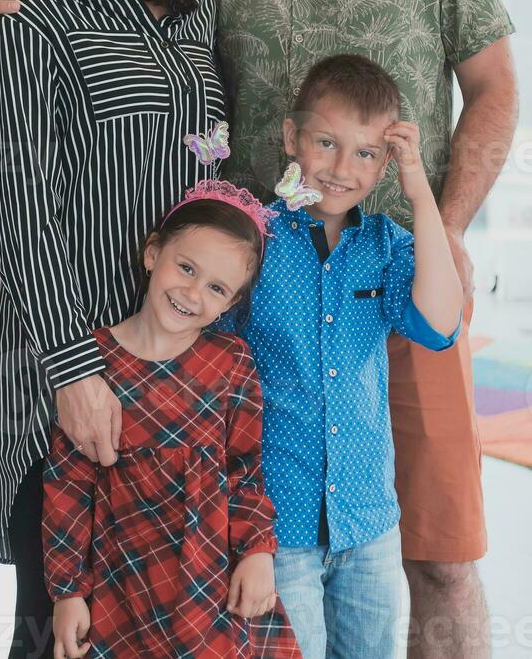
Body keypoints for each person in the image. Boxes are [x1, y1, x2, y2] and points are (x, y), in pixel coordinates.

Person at [0, 0, 518, 659]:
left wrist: (443, 233)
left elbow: (497, 88)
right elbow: (22, 202)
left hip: (338, 299)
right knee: (128, 594)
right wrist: (72, 366)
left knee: (423, 558)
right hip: (164, 331)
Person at [0, 0, 227, 659]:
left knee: (152, 620)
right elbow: (24, 208)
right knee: (59, 630)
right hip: (64, 359)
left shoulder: (191, 8)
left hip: (172, 355)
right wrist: (75, 371)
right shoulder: (28, 13)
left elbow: (211, 165)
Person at [222, 53, 463, 658]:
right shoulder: (254, 237)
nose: (339, 168)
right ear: (291, 137)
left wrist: (417, 188)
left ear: (384, 164)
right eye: (325, 143)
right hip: (279, 523)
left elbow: (440, 326)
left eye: (364, 153)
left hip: (367, 522)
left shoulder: (386, 247)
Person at [42, 180, 303, 658]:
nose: (192, 292)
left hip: (211, 587)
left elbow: (245, 471)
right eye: (186, 267)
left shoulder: (231, 362)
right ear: (152, 253)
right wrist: (68, 591)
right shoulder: (93, 366)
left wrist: (259, 550)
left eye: (217, 288)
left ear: (230, 304)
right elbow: (68, 485)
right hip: (124, 585)